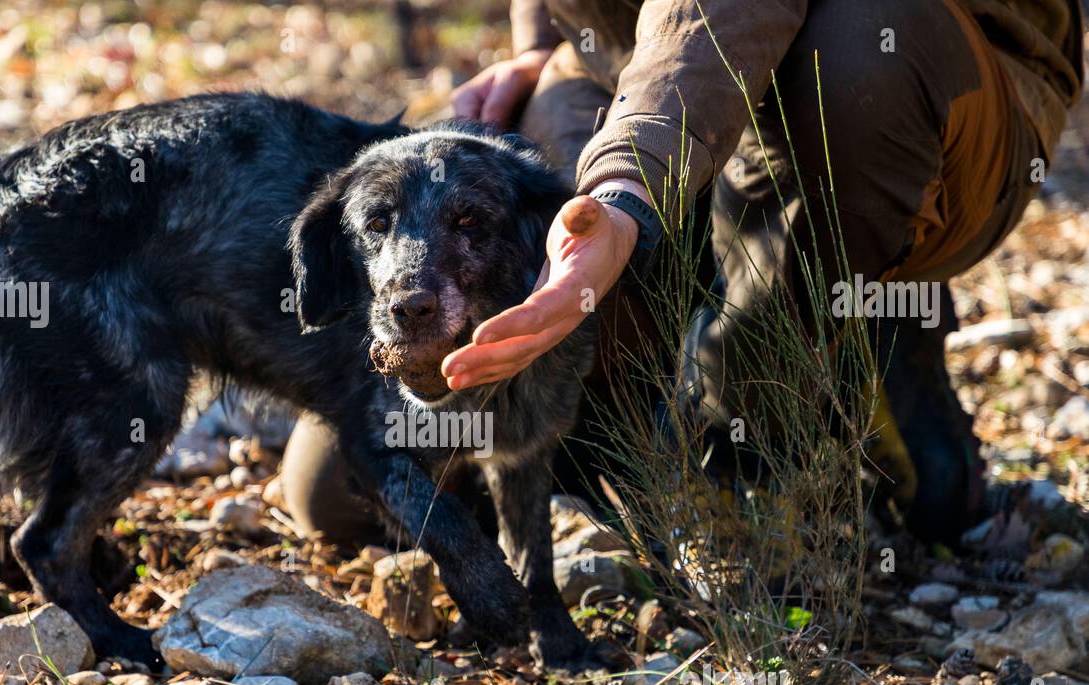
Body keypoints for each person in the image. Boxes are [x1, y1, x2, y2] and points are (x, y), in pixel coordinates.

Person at [282, 0, 1083, 547]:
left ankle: (813, 350)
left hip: (933, 81)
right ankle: (626, 423)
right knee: (349, 484)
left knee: (858, 53)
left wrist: (624, 191)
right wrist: (542, 39)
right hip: (642, 62)